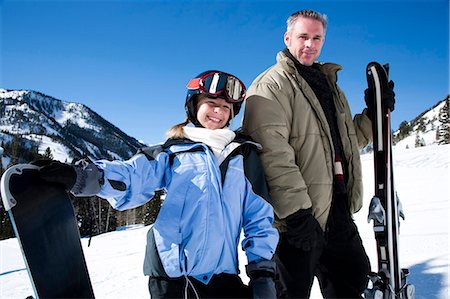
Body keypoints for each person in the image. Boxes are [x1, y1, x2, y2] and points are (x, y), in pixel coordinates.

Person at [38, 70, 279, 299]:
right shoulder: (173, 152)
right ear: (194, 105)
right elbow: (134, 175)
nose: (219, 111)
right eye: (211, 103)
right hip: (170, 276)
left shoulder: (244, 157)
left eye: (226, 107)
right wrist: (84, 177)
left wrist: (263, 272)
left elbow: (258, 218)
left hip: (221, 276)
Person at [242, 9, 395, 299]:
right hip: (296, 221)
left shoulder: (328, 85)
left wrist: (375, 115)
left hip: (336, 209)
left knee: (353, 278)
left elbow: (347, 142)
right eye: (303, 37)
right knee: (289, 292)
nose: (310, 44)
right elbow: (272, 152)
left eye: (317, 38)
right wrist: (298, 213)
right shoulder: (271, 86)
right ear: (287, 38)